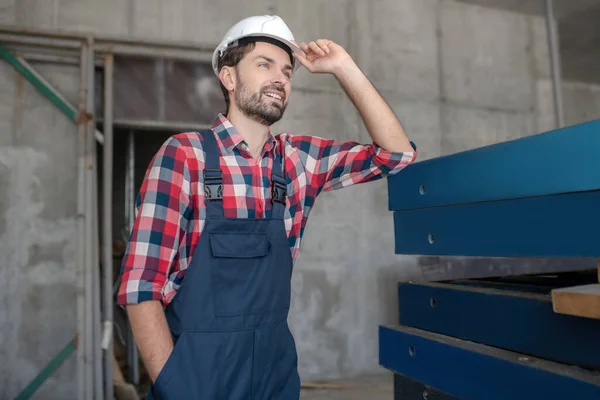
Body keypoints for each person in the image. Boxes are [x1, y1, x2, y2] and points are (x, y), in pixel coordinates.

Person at [117, 15, 417, 400]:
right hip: (198, 377)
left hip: (274, 375)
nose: (280, 78)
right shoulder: (184, 156)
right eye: (264, 64)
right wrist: (176, 386)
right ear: (228, 77)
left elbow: (397, 156)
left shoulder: (298, 161)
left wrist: (343, 67)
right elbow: (140, 287)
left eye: (287, 72)